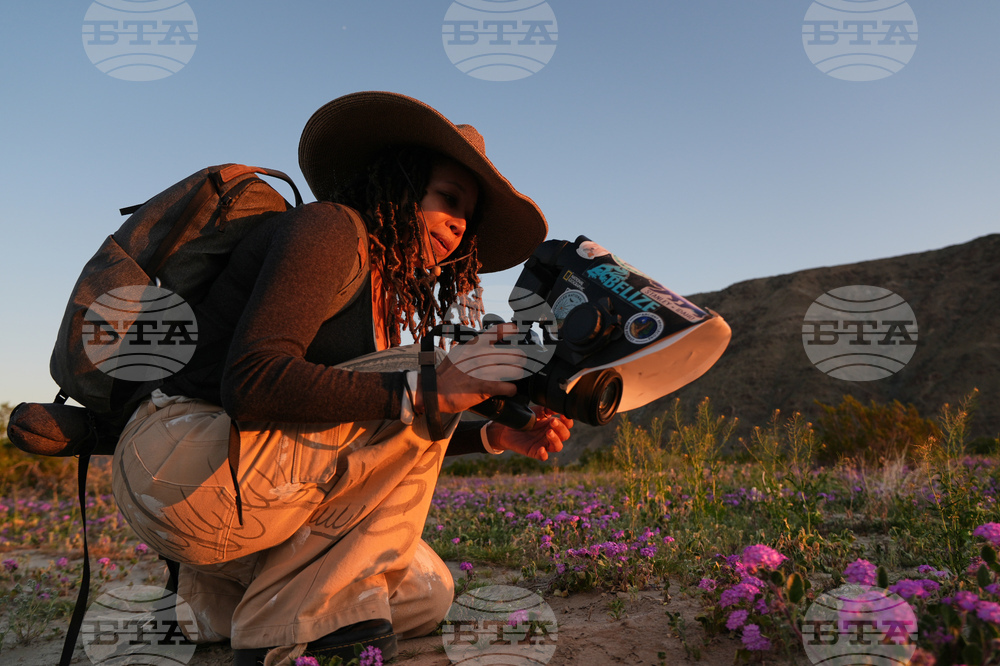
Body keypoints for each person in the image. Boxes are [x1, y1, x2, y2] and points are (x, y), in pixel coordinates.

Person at [109, 91, 573, 666]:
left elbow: (355, 432)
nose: (457, 227)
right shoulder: (331, 230)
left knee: (428, 591)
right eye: (447, 199)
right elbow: (251, 382)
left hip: (241, 487)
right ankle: (282, 630)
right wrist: (431, 388)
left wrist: (489, 437)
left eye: (467, 220)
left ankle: (212, 604)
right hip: (180, 461)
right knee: (426, 370)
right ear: (401, 186)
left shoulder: (384, 291)